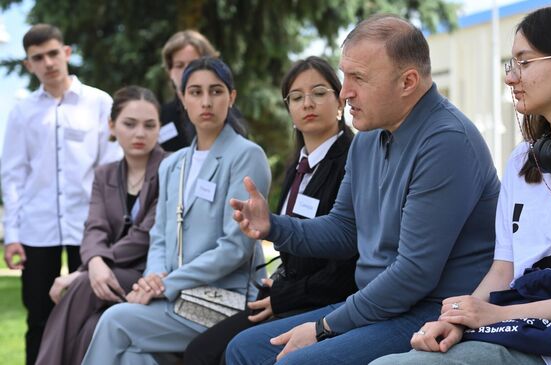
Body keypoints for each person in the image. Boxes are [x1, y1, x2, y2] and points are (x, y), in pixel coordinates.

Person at [370, 5, 551, 365]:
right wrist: (456, 319)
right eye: (510, 64)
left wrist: (499, 316)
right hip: (516, 332)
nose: (510, 77)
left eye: (524, 62)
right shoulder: (522, 160)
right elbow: (503, 271)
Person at [226, 14, 500, 365]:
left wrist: (324, 326)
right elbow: (343, 229)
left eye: (358, 78)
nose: (345, 92)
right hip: (378, 304)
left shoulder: (446, 141)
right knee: (243, 348)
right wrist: (273, 226)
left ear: (408, 82)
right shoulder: (368, 137)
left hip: (432, 314)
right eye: (344, 76)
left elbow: (413, 275)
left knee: (297, 362)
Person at [81, 57, 271, 365]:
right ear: (182, 99)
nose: (206, 101)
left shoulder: (247, 156)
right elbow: (160, 237)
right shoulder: (173, 164)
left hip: (225, 300)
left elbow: (235, 247)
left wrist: (167, 284)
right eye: (195, 92)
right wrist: (154, 278)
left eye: (216, 91)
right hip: (175, 298)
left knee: (115, 321)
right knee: (131, 356)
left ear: (231, 97)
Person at [184, 56, 358, 365]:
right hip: (286, 292)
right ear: (289, 108)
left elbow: (346, 264)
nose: (308, 103)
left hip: (327, 301)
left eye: (319, 93)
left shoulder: (352, 161)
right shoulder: (297, 166)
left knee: (228, 353)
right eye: (297, 97)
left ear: (340, 100)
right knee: (199, 352)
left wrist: (284, 297)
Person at [1, 23, 122, 365]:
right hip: (37, 231)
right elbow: (12, 176)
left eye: (53, 53)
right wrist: (12, 236)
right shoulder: (22, 113)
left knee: (91, 315)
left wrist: (111, 229)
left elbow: (111, 169)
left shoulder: (100, 103)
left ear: (67, 52)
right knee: (38, 318)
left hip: (90, 229)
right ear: (28, 65)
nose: (48, 62)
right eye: (38, 58)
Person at [33, 86, 166, 365]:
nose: (140, 133)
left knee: (81, 287)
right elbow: (95, 227)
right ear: (112, 125)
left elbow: (147, 235)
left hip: (149, 274)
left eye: (149, 125)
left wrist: (86, 270)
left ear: (159, 128)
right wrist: (94, 262)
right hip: (109, 272)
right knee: (93, 327)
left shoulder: (170, 168)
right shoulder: (104, 173)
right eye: (130, 124)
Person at [159, 30, 220, 151]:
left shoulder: (224, 112)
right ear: (169, 72)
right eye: (179, 65)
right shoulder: (159, 117)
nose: (187, 71)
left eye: (194, 64)